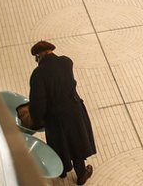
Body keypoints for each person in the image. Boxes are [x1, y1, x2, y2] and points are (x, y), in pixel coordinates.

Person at [29, 41, 96, 185]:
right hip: (74, 111)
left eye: (36, 57)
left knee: (59, 144)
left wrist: (36, 120)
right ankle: (81, 174)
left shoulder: (38, 74)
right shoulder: (67, 62)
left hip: (54, 117)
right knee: (76, 142)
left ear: (41, 54)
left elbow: (38, 101)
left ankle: (62, 171)